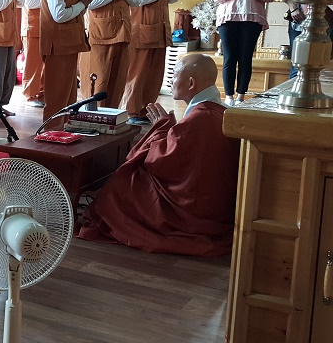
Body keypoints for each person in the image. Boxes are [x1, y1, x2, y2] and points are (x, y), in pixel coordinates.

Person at [78, 54, 240, 256]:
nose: (171, 80)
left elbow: (159, 162)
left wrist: (162, 129)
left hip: (194, 208)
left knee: (125, 180)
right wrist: (168, 130)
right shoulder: (220, 111)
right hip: (215, 203)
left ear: (191, 83)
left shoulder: (200, 118)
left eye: (174, 75)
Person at [120, 0, 180, 125]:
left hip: (159, 31)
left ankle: (147, 110)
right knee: (138, 72)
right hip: (142, 31)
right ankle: (132, 111)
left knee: (155, 74)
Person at [78, 0, 140, 109]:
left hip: (123, 34)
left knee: (117, 83)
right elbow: (90, 2)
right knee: (98, 83)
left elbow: (136, 0)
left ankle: (111, 116)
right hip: (100, 37)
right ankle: (93, 117)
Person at [41, 0, 96, 129]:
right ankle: (51, 133)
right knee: (57, 94)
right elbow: (59, 15)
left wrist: (82, 3)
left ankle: (63, 130)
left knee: (69, 93)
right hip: (58, 45)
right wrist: (83, 3)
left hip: (67, 44)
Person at [20, 0, 50, 108]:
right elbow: (30, 2)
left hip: (46, 27)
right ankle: (30, 95)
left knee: (46, 64)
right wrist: (50, 0)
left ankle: (42, 94)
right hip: (32, 26)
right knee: (33, 63)